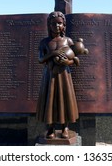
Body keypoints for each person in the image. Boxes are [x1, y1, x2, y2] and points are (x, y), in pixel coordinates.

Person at [36, 11, 79, 139]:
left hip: (64, 75)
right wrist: (54, 54)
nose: (57, 26)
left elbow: (75, 59)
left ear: (63, 25)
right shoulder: (45, 42)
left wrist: (67, 61)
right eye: (53, 24)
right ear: (49, 25)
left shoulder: (68, 41)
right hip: (49, 75)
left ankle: (65, 127)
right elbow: (40, 59)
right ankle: (50, 128)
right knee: (50, 100)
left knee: (65, 99)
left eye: (60, 23)